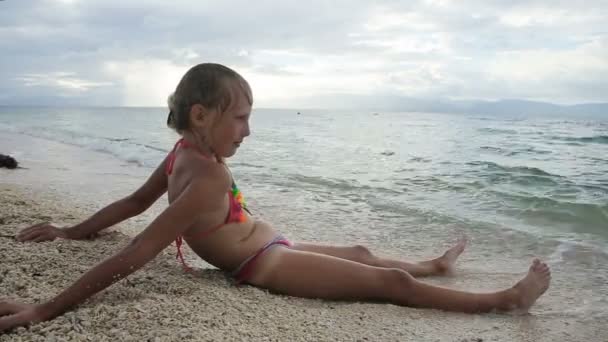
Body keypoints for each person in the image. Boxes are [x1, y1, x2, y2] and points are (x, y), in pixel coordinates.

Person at [0, 63, 551, 332]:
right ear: (201, 115)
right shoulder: (205, 177)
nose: (247, 129)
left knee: (361, 252)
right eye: (240, 117)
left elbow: (128, 204)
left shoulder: (188, 158)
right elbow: (136, 248)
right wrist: (44, 310)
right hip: (264, 264)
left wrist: (70, 230)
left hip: (273, 243)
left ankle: (433, 264)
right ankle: (501, 301)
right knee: (390, 284)